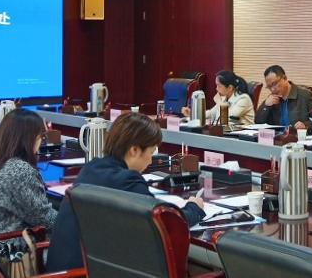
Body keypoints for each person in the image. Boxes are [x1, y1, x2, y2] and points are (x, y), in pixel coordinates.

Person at [45, 113, 207, 272]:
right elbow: (166, 223)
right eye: (151, 153)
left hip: (62, 272)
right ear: (134, 150)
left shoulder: (91, 168)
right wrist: (194, 208)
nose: (151, 160)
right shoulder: (128, 182)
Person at [0, 109, 57, 240]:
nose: (41, 142)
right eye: (41, 137)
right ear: (29, 139)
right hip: (14, 247)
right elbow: (45, 220)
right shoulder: (20, 171)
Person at [180, 70, 255, 127]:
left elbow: (231, 117)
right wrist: (192, 113)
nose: (216, 89)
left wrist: (219, 102)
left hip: (242, 136)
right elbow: (211, 113)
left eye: (219, 86)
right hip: (225, 133)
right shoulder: (224, 98)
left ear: (230, 88)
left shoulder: (244, 99)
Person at [255, 65, 312, 129]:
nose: (272, 89)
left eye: (274, 84)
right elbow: (258, 123)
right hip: (277, 135)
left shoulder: (305, 96)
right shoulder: (272, 99)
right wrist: (266, 106)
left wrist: (305, 125)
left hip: (298, 135)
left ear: (285, 78)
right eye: (269, 87)